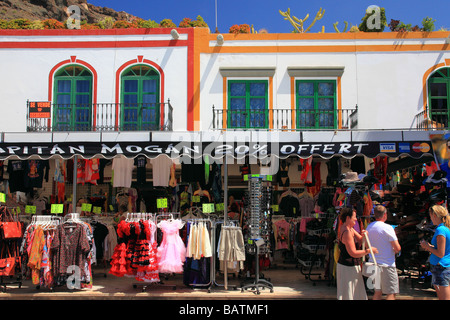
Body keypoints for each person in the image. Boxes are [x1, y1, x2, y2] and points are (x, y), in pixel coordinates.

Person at [337, 207, 378, 300]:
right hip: (347, 267)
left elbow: (360, 240)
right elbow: (353, 253)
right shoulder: (346, 231)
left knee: (355, 292)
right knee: (349, 293)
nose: (356, 219)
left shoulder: (350, 229)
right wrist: (369, 251)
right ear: (348, 218)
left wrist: (365, 234)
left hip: (351, 266)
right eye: (354, 217)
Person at [366, 205, 401, 300]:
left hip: (373, 264)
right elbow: (397, 248)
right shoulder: (388, 228)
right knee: (391, 293)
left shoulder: (369, 227)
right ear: (385, 214)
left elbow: (366, 246)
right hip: (387, 265)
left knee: (377, 292)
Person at [420, 204, 450, 300]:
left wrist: (427, 246)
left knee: (443, 296)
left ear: (435, 215)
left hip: (441, 265)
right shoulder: (445, 228)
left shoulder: (440, 230)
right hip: (443, 265)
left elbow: (440, 253)